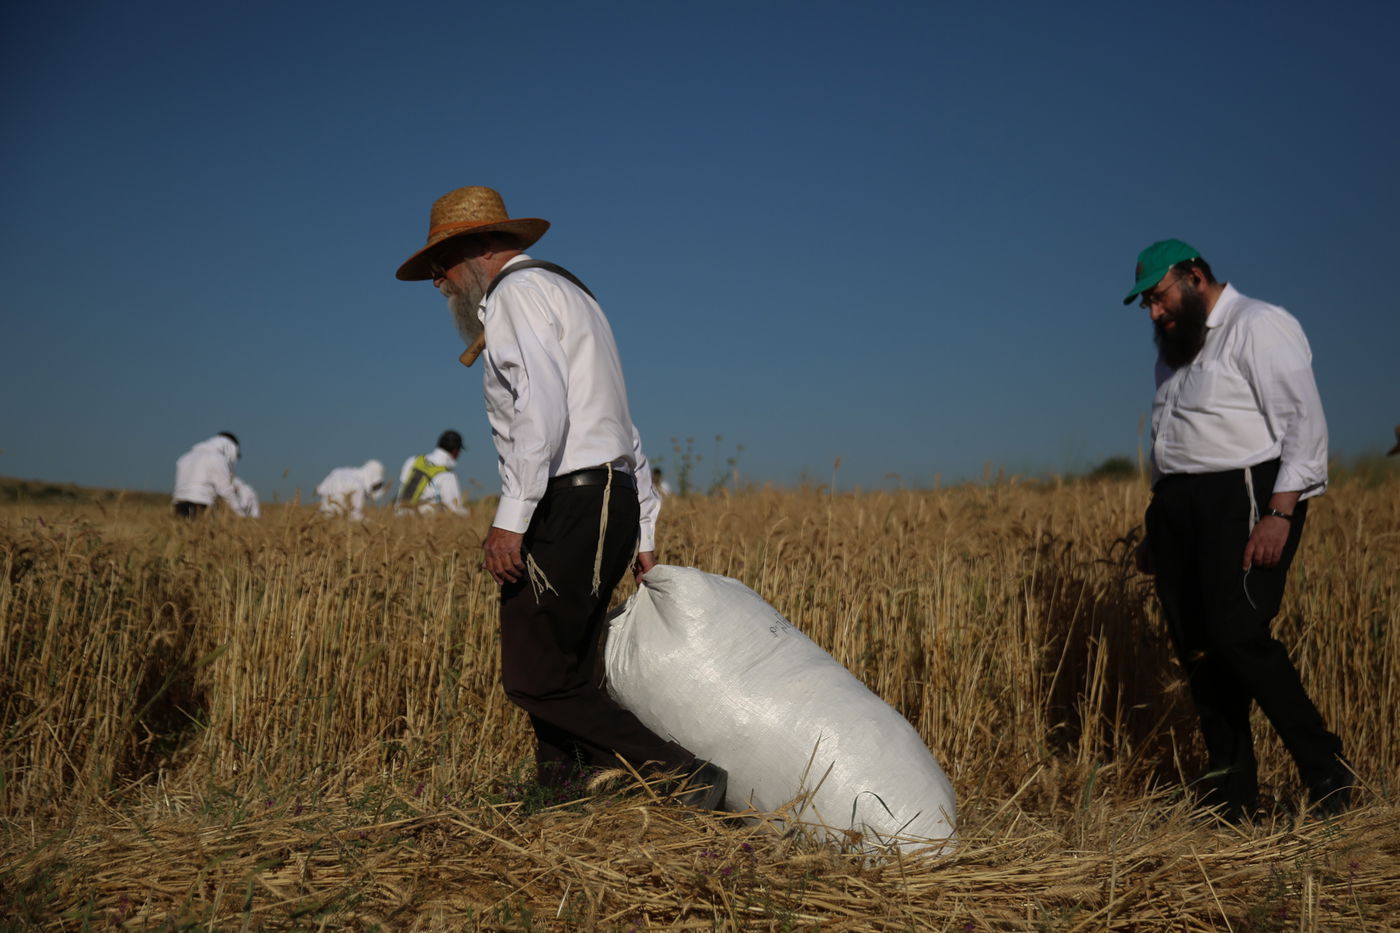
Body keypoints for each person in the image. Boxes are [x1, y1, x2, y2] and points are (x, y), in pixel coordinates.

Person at [396, 185, 724, 807]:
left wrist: (510, 519)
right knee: (565, 665)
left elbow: (539, 410)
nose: (438, 283)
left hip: (573, 497)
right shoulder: (573, 296)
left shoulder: (517, 295)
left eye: (440, 266)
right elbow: (621, 422)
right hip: (603, 496)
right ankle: (564, 795)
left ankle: (681, 774)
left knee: (535, 675)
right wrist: (644, 526)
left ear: (480, 248)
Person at [1124, 238, 1350, 819]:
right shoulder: (1176, 348)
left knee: (1238, 635)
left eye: (1159, 297)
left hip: (1245, 495)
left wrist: (1279, 513)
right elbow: (1177, 438)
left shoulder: (1259, 325)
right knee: (1198, 648)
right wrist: (1160, 526)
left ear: (1195, 276)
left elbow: (1305, 426)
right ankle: (1234, 792)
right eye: (1147, 303)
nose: (1155, 312)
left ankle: (1327, 772)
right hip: (1178, 504)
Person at [172, 433, 252, 518]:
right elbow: (225, 489)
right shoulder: (217, 458)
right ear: (232, 447)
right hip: (201, 505)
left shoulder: (185, 457)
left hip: (179, 505)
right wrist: (241, 513)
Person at [396, 430, 470, 516]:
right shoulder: (448, 475)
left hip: (398, 518)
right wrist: (472, 515)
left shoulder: (412, 460)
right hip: (422, 524)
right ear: (455, 451)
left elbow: (402, 488)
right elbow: (454, 509)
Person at [315, 460, 386, 520]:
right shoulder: (358, 486)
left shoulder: (337, 471)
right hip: (340, 518)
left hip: (324, 515)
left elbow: (320, 490)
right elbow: (354, 515)